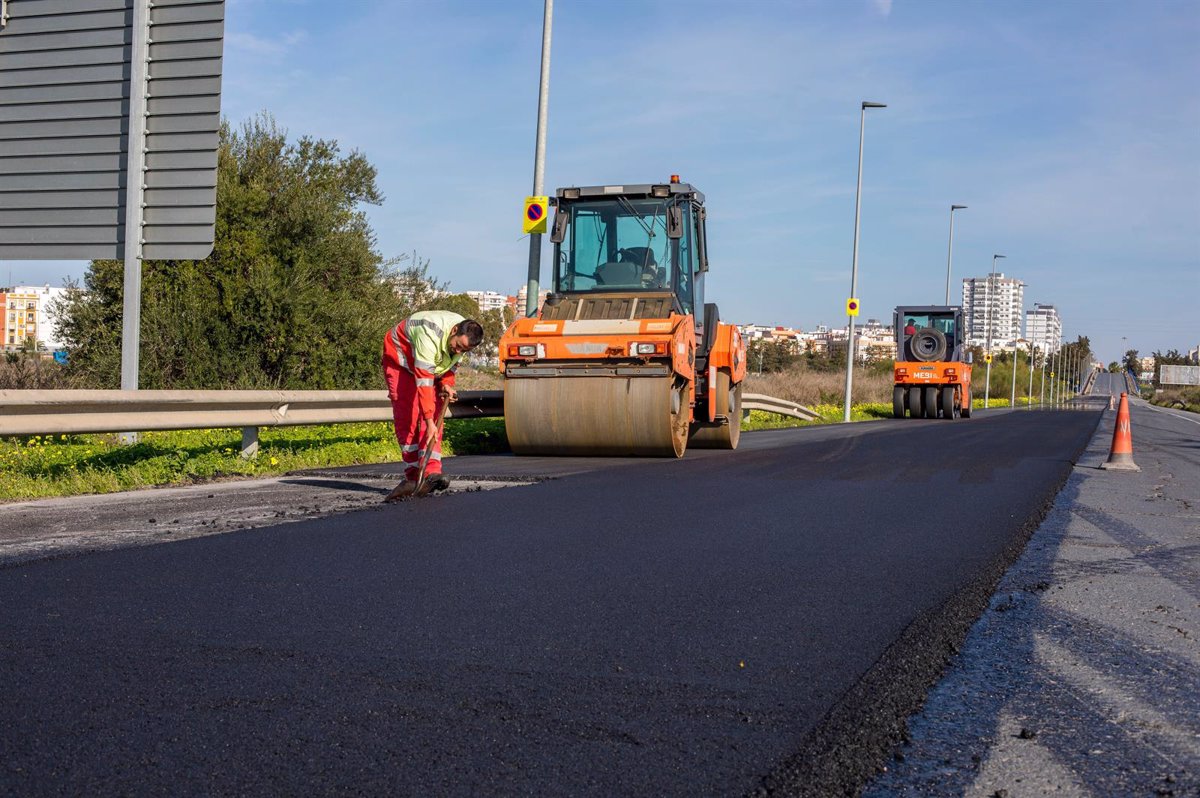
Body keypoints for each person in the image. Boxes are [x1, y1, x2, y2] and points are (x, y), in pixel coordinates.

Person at [381, 311, 484, 501]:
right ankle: (413, 476)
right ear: (453, 331)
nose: (459, 352)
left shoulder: (462, 337)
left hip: (427, 366)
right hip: (400, 362)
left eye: (465, 351)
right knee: (410, 417)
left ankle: (431, 472)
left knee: (436, 416)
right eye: (458, 347)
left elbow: (449, 364)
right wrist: (428, 421)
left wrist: (447, 383)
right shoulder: (428, 333)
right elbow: (424, 383)